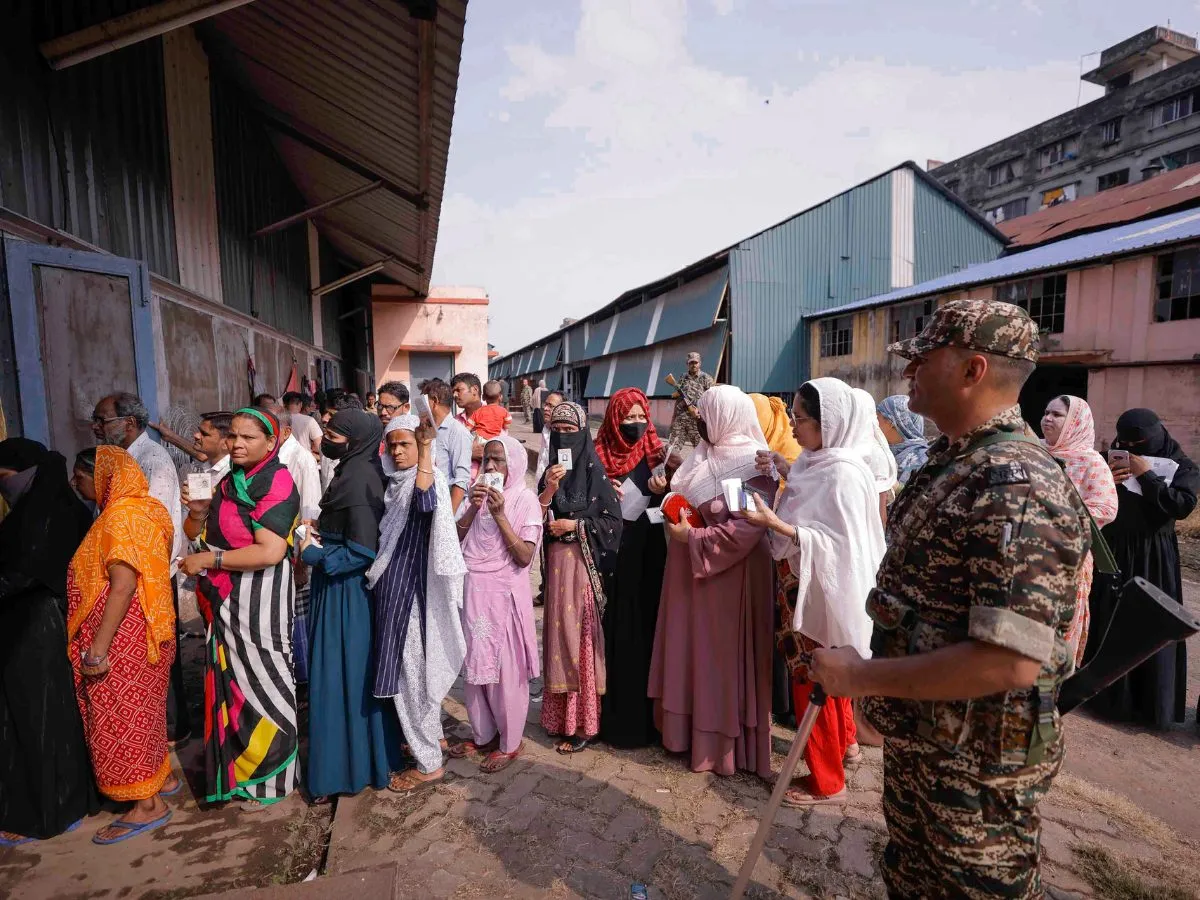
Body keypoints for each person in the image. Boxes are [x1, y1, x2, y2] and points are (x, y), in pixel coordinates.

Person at [810, 300, 1087, 899]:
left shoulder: (1016, 485)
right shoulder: (955, 461)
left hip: (977, 764)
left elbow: (1007, 661)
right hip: (931, 741)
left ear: (973, 370)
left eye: (923, 360)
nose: (909, 374)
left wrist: (862, 677)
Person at [743, 379, 886, 804]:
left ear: (831, 424)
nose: (793, 426)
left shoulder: (842, 473)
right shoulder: (816, 460)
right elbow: (809, 497)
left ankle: (826, 780)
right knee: (830, 673)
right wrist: (784, 469)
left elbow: (836, 542)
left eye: (800, 419)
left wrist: (776, 525)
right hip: (802, 584)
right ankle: (844, 745)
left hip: (821, 592)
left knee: (813, 678)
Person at [649, 386, 775, 777]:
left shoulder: (754, 464)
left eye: (705, 413)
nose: (699, 421)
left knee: (718, 661)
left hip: (730, 580)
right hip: (690, 576)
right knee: (692, 652)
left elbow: (745, 531)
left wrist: (693, 538)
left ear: (724, 416)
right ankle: (682, 735)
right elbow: (682, 496)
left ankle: (718, 748)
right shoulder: (702, 457)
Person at [180, 409, 301, 808]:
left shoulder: (276, 482)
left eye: (249, 438)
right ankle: (241, 772)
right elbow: (197, 534)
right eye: (233, 436)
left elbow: (270, 551)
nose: (237, 444)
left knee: (264, 684)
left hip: (258, 598)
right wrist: (197, 512)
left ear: (272, 442)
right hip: (227, 600)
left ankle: (272, 780)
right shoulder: (231, 481)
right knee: (236, 686)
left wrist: (211, 562)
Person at [68, 447, 178, 844]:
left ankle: (146, 805)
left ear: (101, 478)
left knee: (120, 718)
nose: (75, 484)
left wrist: (98, 650)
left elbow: (123, 584)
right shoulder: (149, 511)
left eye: (79, 476)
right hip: (151, 631)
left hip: (123, 638)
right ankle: (157, 778)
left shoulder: (119, 519)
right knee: (146, 713)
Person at [0, 439, 98, 846]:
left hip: (36, 631)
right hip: (40, 627)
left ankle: (50, 810)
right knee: (52, 716)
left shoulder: (44, 517)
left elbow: (26, 571)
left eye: (5, 479)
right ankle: (64, 800)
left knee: (40, 719)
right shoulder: (49, 509)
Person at [302, 410, 403, 798]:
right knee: (343, 674)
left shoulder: (360, 479)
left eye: (333, 434)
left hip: (347, 594)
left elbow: (363, 551)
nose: (327, 440)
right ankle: (356, 760)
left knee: (341, 675)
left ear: (357, 438)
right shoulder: (352, 468)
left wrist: (316, 555)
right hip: (338, 590)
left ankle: (345, 769)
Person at [367, 415, 466, 791]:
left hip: (409, 595)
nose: (397, 451)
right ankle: (433, 740)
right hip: (394, 590)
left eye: (404, 444)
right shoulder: (395, 484)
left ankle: (428, 763)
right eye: (392, 445)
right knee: (412, 675)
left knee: (412, 679)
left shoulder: (425, 480)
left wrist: (424, 449)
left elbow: (425, 504)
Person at [1086, 408, 1199, 729]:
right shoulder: (1109, 457)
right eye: (1126, 443)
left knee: (1148, 624)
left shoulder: (1184, 466)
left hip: (1154, 557)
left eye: (1140, 443)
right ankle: (1100, 696)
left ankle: (1144, 706)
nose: (1133, 448)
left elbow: (1181, 506)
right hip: (1113, 549)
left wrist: (1144, 475)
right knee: (1107, 618)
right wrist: (1107, 473)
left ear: (1158, 435)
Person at [92, 392, 188, 745]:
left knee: (160, 650)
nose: (96, 427)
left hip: (150, 575)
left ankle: (174, 728)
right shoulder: (121, 459)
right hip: (131, 573)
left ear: (129, 424)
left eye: (103, 420)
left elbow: (155, 526)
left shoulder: (152, 460)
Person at [451, 435, 542, 772]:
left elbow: (524, 556)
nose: (490, 467)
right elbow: (456, 539)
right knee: (475, 671)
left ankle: (510, 742)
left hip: (504, 595)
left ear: (513, 465)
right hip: (473, 591)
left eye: (498, 461)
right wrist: (474, 507)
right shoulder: (476, 496)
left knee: (505, 672)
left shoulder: (525, 499)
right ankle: (484, 733)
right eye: (486, 459)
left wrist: (501, 515)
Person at [538, 402, 622, 754]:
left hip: (582, 568)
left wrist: (576, 525)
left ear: (583, 434)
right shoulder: (549, 474)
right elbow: (532, 520)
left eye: (571, 431)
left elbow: (613, 523)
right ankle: (560, 719)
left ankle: (585, 722)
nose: (565, 437)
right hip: (557, 568)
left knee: (579, 638)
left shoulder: (594, 472)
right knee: (557, 637)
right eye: (558, 430)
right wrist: (546, 491)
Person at [593, 388, 669, 748]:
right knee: (615, 632)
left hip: (648, 558)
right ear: (614, 419)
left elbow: (671, 501)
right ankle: (615, 718)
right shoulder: (596, 456)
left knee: (646, 628)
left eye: (642, 418)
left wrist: (661, 488)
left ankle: (651, 718)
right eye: (629, 418)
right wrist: (604, 491)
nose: (637, 425)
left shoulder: (657, 453)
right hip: (612, 558)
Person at [1041, 396, 1118, 667]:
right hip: (1027, 552)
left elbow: (1106, 508)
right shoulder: (1034, 451)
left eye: (1057, 415)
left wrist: (1054, 515)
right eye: (1046, 413)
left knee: (1057, 630)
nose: (1048, 419)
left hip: (1066, 559)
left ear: (1075, 422)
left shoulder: (1091, 463)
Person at [749, 393, 803, 730]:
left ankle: (792, 708)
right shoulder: (768, 452)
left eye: (756, 422)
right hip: (778, 555)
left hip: (795, 555)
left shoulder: (796, 452)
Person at [418, 378, 473, 513]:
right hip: (427, 504)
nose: (420, 406)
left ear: (435, 401)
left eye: (423, 401)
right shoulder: (427, 428)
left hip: (446, 508)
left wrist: (448, 518)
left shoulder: (458, 432)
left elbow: (461, 480)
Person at [876, 394, 930, 489]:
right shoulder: (880, 450)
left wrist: (895, 487)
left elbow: (924, 496)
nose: (875, 423)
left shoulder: (922, 458)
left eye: (878, 417)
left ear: (891, 422)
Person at [666, 351, 715, 448]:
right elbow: (679, 397)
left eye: (695, 363)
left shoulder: (706, 378)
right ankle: (671, 463)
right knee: (672, 449)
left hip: (697, 419)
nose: (693, 365)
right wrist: (673, 418)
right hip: (681, 418)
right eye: (691, 363)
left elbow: (712, 399)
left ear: (700, 363)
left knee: (701, 449)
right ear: (687, 364)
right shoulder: (683, 378)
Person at [191, 411, 234, 484]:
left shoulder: (232, 474)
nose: (196, 435)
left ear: (226, 444)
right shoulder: (199, 466)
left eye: (204, 434)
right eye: (199, 431)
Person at [534, 390, 565, 483]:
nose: (546, 408)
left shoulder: (565, 436)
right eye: (545, 404)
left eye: (551, 406)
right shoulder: (546, 428)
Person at [284, 392, 323, 458]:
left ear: (284, 404)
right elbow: (319, 445)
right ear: (301, 404)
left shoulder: (278, 420)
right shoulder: (309, 420)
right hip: (305, 461)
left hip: (284, 461)